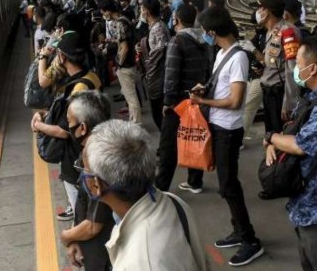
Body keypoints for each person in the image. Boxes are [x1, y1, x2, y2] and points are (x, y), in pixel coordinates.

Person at [189, 6, 264, 267]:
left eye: (204, 31)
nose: (203, 36)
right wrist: (204, 90)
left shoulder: (238, 58)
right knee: (227, 183)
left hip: (229, 130)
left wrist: (204, 100)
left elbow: (234, 101)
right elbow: (222, 86)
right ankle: (238, 230)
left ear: (212, 31)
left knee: (228, 185)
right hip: (218, 126)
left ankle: (250, 240)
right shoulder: (222, 53)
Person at [82, 119, 208, 271]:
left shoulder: (140, 263)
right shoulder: (173, 201)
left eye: (85, 169)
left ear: (96, 184)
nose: (83, 173)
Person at [263, 36, 317, 271]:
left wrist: (271, 138)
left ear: (313, 68)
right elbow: (290, 132)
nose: (296, 70)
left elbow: (300, 144)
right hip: (305, 206)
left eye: (299, 65)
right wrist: (277, 141)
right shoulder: (311, 98)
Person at [32, 32, 102, 222]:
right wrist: (47, 115)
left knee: (81, 205)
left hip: (76, 154)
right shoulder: (91, 77)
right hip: (92, 144)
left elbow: (64, 131)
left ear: (62, 57)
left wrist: (39, 125)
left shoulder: (77, 89)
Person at [155, 4, 210, 192]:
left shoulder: (177, 41)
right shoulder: (203, 41)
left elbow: (171, 74)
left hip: (178, 101)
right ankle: (195, 181)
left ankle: (161, 186)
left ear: (176, 20)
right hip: (196, 99)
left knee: (168, 145)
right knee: (193, 138)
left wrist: (168, 102)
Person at [60, 91, 113, 270]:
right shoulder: (95, 150)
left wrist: (67, 236)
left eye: (69, 122)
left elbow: (93, 225)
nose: (67, 127)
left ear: (82, 128)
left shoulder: (99, 161)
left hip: (104, 254)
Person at [258, 0, 301, 133]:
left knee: (280, 136)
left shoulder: (287, 32)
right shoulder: (270, 32)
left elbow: (292, 69)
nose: (258, 12)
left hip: (280, 95)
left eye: (260, 8)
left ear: (267, 11)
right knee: (270, 135)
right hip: (269, 93)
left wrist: (289, 103)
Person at [99, 0, 142, 124]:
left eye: (103, 12)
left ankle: (136, 123)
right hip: (131, 62)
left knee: (131, 97)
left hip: (126, 65)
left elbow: (124, 48)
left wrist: (119, 64)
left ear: (108, 11)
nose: (104, 15)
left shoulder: (119, 23)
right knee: (131, 95)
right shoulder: (125, 20)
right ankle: (135, 121)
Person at [141, 0, 170, 130]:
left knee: (159, 114)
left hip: (158, 77)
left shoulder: (158, 29)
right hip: (158, 76)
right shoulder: (155, 26)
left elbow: (156, 56)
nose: (141, 12)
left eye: (142, 9)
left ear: (146, 12)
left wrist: (149, 77)